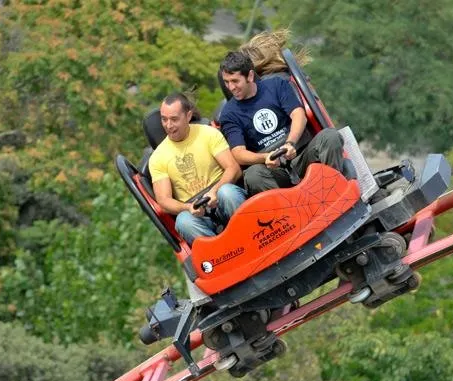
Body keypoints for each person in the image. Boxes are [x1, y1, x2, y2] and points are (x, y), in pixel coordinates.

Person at [218, 51, 348, 197]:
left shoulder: (276, 85)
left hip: (301, 154)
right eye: (226, 82)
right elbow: (238, 153)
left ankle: (332, 191)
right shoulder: (229, 113)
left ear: (250, 76)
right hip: (273, 169)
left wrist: (290, 143)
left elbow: (298, 115)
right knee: (253, 175)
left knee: (330, 136)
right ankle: (291, 208)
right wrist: (265, 157)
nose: (231, 87)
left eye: (235, 81)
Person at [148, 92, 247, 246]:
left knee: (227, 192)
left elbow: (233, 168)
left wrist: (214, 191)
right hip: (197, 213)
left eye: (174, 119)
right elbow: (164, 200)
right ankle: (221, 251)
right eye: (164, 119)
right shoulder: (157, 158)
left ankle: (249, 235)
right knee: (183, 221)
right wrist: (188, 207)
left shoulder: (208, 134)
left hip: (222, 198)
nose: (168, 125)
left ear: (188, 116)